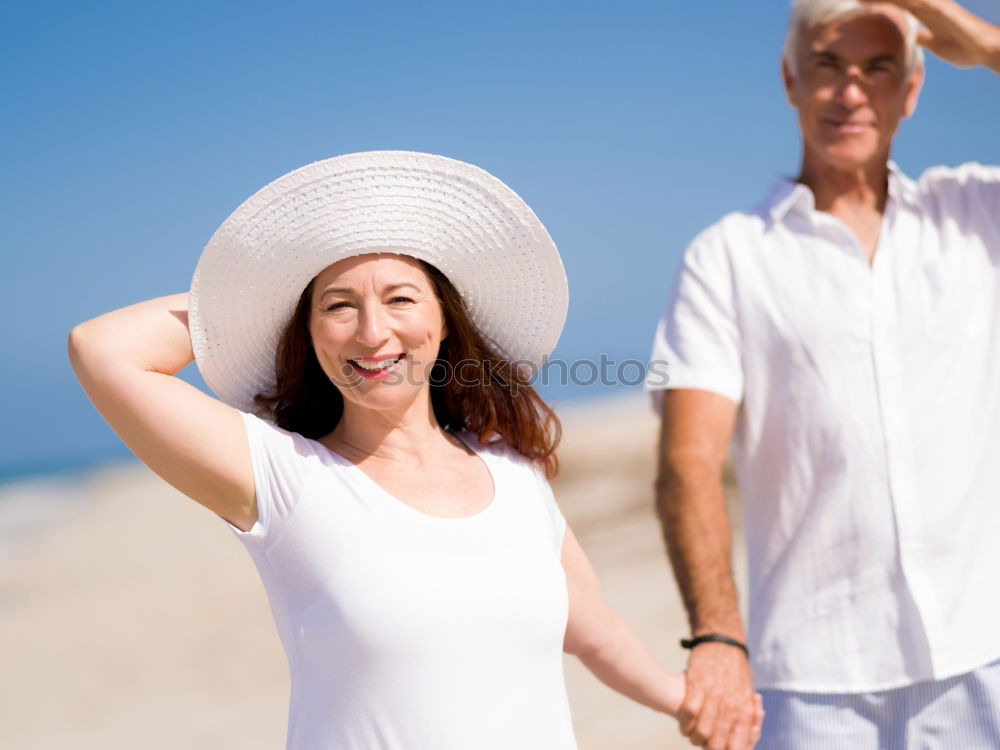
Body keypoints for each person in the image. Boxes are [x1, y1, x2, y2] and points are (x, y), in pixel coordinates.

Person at [69, 151, 755, 750]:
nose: (372, 333)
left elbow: (589, 624)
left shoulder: (513, 475)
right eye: (337, 307)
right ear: (304, 332)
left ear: (443, 322)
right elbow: (103, 350)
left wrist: (681, 698)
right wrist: (251, 295)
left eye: (400, 298)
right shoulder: (283, 476)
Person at [648, 1, 1000, 748]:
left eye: (877, 70)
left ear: (911, 90)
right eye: (829, 67)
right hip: (811, 683)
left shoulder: (978, 213)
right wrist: (716, 637)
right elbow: (689, 460)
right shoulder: (728, 256)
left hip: (987, 651)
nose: (849, 93)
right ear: (789, 79)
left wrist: (985, 42)